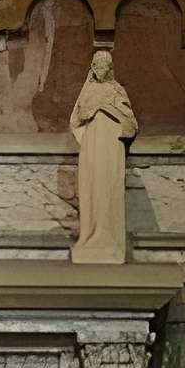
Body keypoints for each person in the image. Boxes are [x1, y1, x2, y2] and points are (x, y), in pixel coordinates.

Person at [69, 51, 139, 266]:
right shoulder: (87, 90)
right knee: (92, 186)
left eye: (104, 67)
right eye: (97, 66)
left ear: (109, 68)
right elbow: (78, 117)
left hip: (111, 143)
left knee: (109, 186)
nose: (100, 70)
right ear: (92, 68)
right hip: (92, 144)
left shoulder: (116, 90)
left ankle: (109, 238)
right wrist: (93, 109)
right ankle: (90, 235)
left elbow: (130, 122)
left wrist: (109, 109)